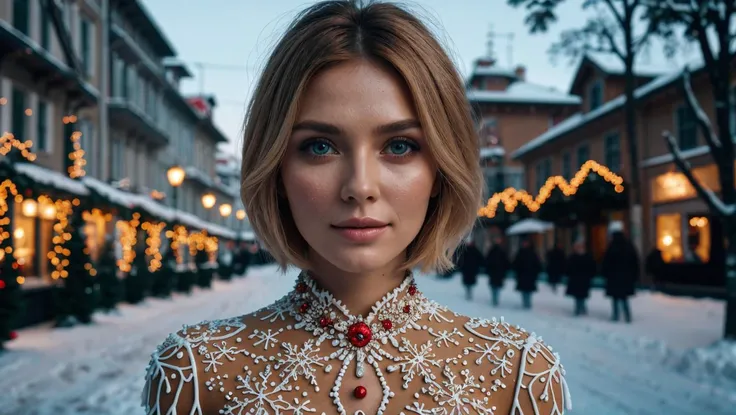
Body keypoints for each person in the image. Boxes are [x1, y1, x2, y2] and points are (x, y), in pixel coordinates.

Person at [142, 2, 570, 414]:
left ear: (440, 169)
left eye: (399, 146)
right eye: (320, 146)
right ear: (276, 171)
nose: (360, 187)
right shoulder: (193, 372)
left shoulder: (520, 374)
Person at [601, 221, 639, 323]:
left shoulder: (611, 246)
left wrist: (605, 274)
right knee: (624, 297)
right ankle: (627, 316)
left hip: (614, 277)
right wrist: (634, 276)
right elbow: (634, 261)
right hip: (626, 277)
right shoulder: (628, 245)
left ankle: (615, 315)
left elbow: (606, 263)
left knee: (615, 298)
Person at [565, 239, 597, 316]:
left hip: (583, 279)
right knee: (578, 295)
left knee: (581, 295)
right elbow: (568, 268)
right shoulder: (573, 257)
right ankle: (579, 308)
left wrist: (590, 275)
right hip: (576, 279)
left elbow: (592, 267)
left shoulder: (587, 256)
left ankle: (581, 308)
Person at [512, 237, 543, 310]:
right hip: (522, 275)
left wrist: (535, 272)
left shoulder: (534, 253)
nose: (525, 244)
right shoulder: (520, 252)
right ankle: (525, 304)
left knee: (528, 291)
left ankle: (527, 304)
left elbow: (538, 264)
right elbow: (516, 264)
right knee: (524, 290)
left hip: (530, 275)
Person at [485, 236, 510, 306]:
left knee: (496, 286)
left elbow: (506, 263)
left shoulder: (501, 252)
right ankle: (495, 299)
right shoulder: (493, 251)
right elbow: (488, 261)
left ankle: (495, 299)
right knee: (494, 286)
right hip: (495, 272)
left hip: (498, 272)